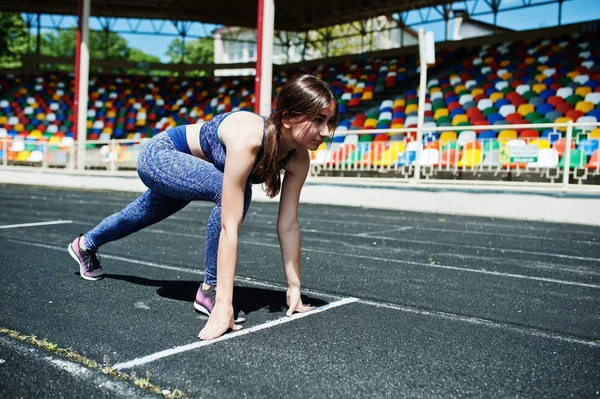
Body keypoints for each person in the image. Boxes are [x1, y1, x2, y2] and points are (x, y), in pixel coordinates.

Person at [67, 74, 339, 340]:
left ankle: (85, 244)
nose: (326, 131)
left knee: (141, 214)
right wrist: (223, 304)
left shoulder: (299, 158)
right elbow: (229, 226)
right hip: (162, 155)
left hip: (197, 169)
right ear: (289, 117)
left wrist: (294, 288)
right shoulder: (250, 138)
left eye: (329, 121)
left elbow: (288, 225)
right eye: (317, 120)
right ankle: (210, 290)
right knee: (234, 191)